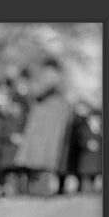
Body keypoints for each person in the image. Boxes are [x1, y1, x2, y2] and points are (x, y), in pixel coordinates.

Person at [14, 57, 74, 195]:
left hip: (45, 122)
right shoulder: (57, 80)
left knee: (40, 157)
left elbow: (37, 91)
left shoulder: (50, 77)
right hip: (48, 121)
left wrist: (27, 83)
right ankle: (39, 189)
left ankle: (39, 190)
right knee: (41, 158)